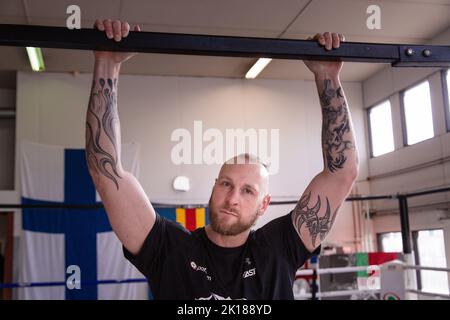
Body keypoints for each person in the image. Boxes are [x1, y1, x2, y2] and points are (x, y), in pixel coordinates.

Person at [85, 19, 359, 300]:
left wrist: (327, 75)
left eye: (248, 190)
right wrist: (107, 63)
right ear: (214, 186)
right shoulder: (170, 248)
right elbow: (106, 172)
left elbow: (342, 173)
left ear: (264, 204)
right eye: (226, 184)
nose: (233, 198)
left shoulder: (279, 247)